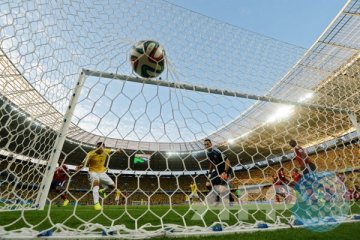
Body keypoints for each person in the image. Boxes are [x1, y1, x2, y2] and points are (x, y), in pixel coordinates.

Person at [75, 142, 119, 210]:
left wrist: (118, 151)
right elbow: (84, 163)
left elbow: (113, 151)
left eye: (102, 148)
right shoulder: (91, 153)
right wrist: (79, 167)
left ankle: (102, 191)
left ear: (104, 148)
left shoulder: (105, 151)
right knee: (96, 183)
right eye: (99, 147)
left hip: (102, 172)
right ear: (96, 147)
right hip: (93, 172)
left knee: (113, 187)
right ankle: (96, 203)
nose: (101, 149)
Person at [203, 139, 231, 205]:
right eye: (205, 145)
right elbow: (211, 163)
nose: (206, 146)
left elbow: (227, 161)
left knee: (222, 189)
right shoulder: (207, 153)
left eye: (207, 144)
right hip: (217, 170)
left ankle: (231, 199)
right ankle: (217, 197)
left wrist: (225, 172)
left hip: (225, 169)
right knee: (208, 184)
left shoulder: (216, 151)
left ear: (211, 144)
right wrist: (209, 173)